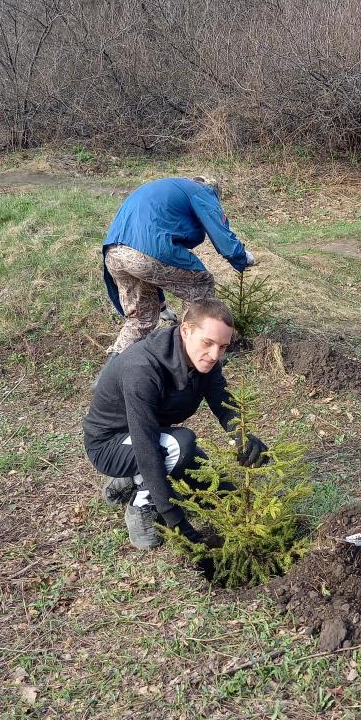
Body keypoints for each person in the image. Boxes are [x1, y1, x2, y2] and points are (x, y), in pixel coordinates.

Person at [83, 297, 267, 551]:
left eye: (223, 347)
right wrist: (174, 518)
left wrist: (241, 435)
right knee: (181, 444)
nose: (215, 354)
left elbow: (221, 398)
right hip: (110, 444)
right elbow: (145, 445)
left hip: (151, 434)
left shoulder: (204, 360)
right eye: (208, 343)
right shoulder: (143, 369)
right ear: (185, 330)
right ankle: (141, 506)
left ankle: (128, 480)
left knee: (220, 490)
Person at [101, 175, 256, 359]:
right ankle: (197, 356)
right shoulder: (202, 191)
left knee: (141, 319)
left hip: (114, 252)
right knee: (201, 284)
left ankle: (110, 371)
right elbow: (220, 233)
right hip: (146, 252)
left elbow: (150, 264)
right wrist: (241, 257)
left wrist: (162, 307)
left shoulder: (166, 188)